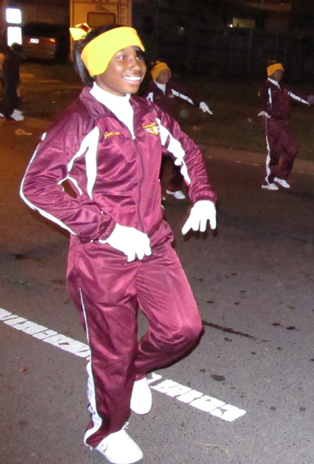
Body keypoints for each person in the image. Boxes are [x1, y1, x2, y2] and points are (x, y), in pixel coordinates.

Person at [19, 24, 217, 464]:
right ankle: (105, 430)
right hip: (101, 258)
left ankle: (135, 370)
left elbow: (188, 150)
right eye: (121, 57)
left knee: (183, 329)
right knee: (110, 352)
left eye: (138, 56)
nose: (135, 64)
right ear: (96, 68)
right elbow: (37, 186)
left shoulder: (149, 113)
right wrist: (106, 229)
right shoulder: (81, 120)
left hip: (154, 246)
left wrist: (201, 194)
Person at [141, 60, 213, 200]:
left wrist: (201, 103)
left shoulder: (170, 88)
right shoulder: (149, 92)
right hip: (155, 133)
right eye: (163, 73)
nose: (167, 75)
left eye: (168, 72)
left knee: (180, 158)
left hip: (171, 132)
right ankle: (154, 193)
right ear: (155, 75)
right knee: (157, 164)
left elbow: (187, 93)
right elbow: (140, 109)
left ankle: (174, 187)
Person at [258, 61, 314, 190]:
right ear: (271, 73)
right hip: (271, 123)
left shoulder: (283, 87)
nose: (280, 74)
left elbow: (298, 95)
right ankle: (268, 181)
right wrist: (263, 110)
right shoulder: (266, 87)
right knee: (274, 153)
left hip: (283, 123)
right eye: (278, 72)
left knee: (292, 149)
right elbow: (262, 99)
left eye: (282, 72)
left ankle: (281, 176)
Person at [0, 43, 25, 121]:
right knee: (10, 97)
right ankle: (11, 113)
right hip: (10, 80)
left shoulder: (10, 57)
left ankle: (11, 113)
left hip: (9, 80)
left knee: (9, 97)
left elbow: (7, 71)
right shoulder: (12, 58)